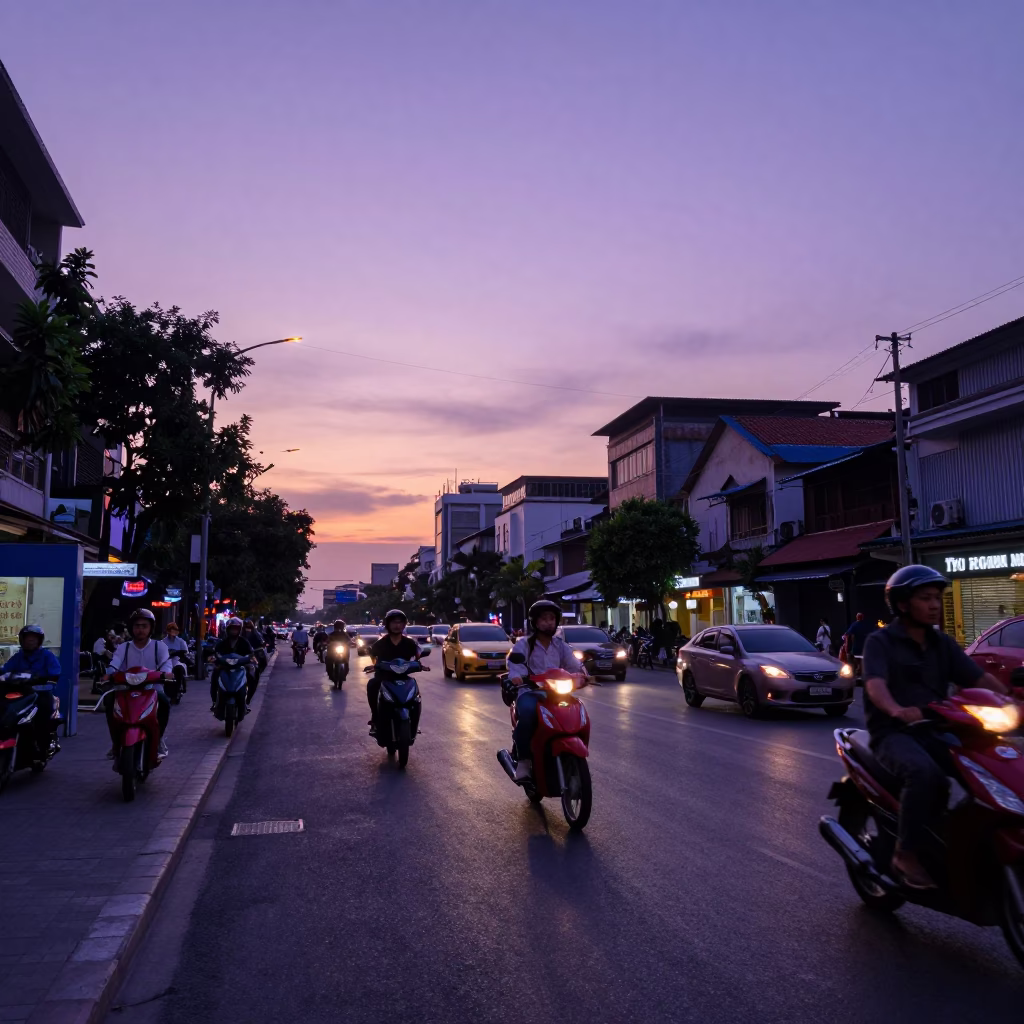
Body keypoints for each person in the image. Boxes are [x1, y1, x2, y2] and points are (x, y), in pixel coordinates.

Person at [863, 565, 1007, 890]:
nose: (934, 605)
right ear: (902, 604)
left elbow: (978, 678)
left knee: (990, 767)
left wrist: (1009, 700)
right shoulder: (880, 642)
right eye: (925, 598)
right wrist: (897, 710)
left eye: (937, 599)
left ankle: (955, 842)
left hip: (937, 728)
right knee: (926, 775)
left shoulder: (942, 644)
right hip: (893, 733)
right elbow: (874, 685)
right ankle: (905, 853)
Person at [506, 600, 586, 780]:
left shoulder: (561, 645)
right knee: (528, 714)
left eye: (552, 618)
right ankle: (524, 760)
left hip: (557, 692)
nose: (548, 622)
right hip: (530, 692)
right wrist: (517, 677)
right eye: (544, 619)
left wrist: (582, 675)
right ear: (535, 622)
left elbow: (573, 665)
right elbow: (514, 664)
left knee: (577, 711)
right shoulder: (524, 644)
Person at [106, 609, 172, 760]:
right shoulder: (124, 647)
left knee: (165, 702)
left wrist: (166, 673)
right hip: (126, 689)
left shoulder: (159, 646)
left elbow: (166, 664)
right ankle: (116, 741)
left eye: (144, 626)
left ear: (150, 628)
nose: (140, 629)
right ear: (131, 628)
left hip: (153, 689)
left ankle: (159, 738)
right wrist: (108, 674)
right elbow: (115, 663)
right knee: (109, 700)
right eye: (137, 626)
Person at [1, 624, 61, 753]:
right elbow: (5, 670)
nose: (30, 641)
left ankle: (43, 746)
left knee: (42, 715)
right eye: (28, 638)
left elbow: (55, 673)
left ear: (39, 641)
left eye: (34, 638)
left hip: (40, 693)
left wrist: (44, 679)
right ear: (22, 640)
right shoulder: (18, 656)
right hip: (21, 692)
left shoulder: (47, 656)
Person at [367, 609, 419, 732]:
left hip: (403, 677)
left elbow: (417, 656)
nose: (397, 625)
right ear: (388, 625)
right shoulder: (380, 644)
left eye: (400, 622)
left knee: (416, 696)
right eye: (394, 622)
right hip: (384, 677)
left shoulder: (410, 643)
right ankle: (375, 716)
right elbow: (373, 657)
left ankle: (414, 723)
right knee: (372, 684)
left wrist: (419, 665)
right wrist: (375, 665)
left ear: (404, 625)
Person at [210, 618, 255, 709]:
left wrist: (250, 658)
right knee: (215, 674)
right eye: (232, 629)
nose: (234, 631)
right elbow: (216, 652)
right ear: (227, 630)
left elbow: (251, 653)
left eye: (236, 629)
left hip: (241, 666)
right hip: (224, 666)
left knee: (252, 676)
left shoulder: (244, 641)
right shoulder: (222, 642)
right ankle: (215, 701)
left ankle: (247, 700)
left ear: (239, 630)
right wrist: (214, 658)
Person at [842, 612, 877, 677]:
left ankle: (855, 671)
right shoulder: (867, 625)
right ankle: (861, 669)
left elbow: (847, 634)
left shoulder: (854, 625)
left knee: (850, 657)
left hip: (857, 647)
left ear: (857, 617)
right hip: (866, 647)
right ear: (863, 617)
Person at [241, 619, 267, 704]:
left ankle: (248, 699)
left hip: (250, 659)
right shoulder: (236, 636)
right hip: (238, 660)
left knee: (254, 678)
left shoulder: (256, 634)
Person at [162, 621, 190, 695]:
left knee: (179, 669)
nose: (172, 632)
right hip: (166, 661)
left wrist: (179, 653)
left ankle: (179, 688)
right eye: (171, 630)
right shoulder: (163, 642)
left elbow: (185, 652)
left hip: (177, 660)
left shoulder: (181, 641)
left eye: (174, 630)